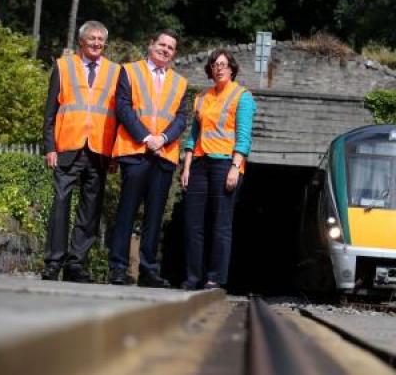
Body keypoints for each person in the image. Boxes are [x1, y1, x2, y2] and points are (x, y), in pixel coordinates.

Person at [108, 30, 188, 287]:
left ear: (174, 53)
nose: (165, 50)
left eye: (171, 47)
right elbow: (122, 107)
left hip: (164, 155)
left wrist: (163, 139)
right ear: (151, 44)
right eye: (162, 44)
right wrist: (146, 137)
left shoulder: (180, 82)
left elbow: (181, 118)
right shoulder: (129, 71)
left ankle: (148, 269)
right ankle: (118, 267)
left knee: (155, 215)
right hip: (135, 151)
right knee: (127, 211)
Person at [42, 21, 120, 282]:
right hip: (67, 147)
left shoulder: (114, 71)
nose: (97, 43)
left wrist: (114, 154)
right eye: (92, 39)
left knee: (91, 208)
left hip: (99, 149)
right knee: (60, 204)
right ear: (81, 42)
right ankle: (53, 262)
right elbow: (50, 111)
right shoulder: (63, 67)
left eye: (101, 39)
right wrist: (49, 147)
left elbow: (118, 115)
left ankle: (76, 264)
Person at [180, 48, 256, 290]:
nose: (219, 68)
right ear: (210, 70)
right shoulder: (202, 98)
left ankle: (215, 278)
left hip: (226, 164)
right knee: (193, 222)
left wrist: (236, 167)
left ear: (232, 69)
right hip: (200, 164)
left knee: (220, 223)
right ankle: (193, 277)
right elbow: (194, 136)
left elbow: (243, 138)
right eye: (215, 64)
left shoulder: (242, 97)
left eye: (223, 64)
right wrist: (187, 167)